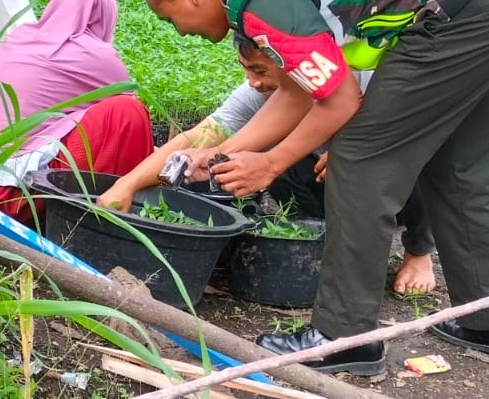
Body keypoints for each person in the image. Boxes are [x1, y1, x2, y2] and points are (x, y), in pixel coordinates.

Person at [134, 0, 489, 375]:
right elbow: (296, 91)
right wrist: (220, 152)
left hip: (464, 4)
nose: (179, 31)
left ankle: (344, 338)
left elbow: (340, 99)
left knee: (361, 156)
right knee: (458, 161)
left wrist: (271, 164)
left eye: (169, 17)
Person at [98, 35, 437, 295]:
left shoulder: (359, 79)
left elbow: (418, 126)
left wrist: (355, 148)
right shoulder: (256, 94)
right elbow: (198, 136)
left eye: (259, 70)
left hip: (385, 171)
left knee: (419, 157)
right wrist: (126, 185)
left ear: (292, 63)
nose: (252, 81)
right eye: (246, 69)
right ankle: (315, 229)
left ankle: (418, 252)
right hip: (330, 185)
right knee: (264, 153)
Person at [0, 0, 153, 225]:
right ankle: (113, 218)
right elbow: (124, 106)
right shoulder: (98, 55)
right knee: (127, 112)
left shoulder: (20, 36)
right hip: (7, 193)